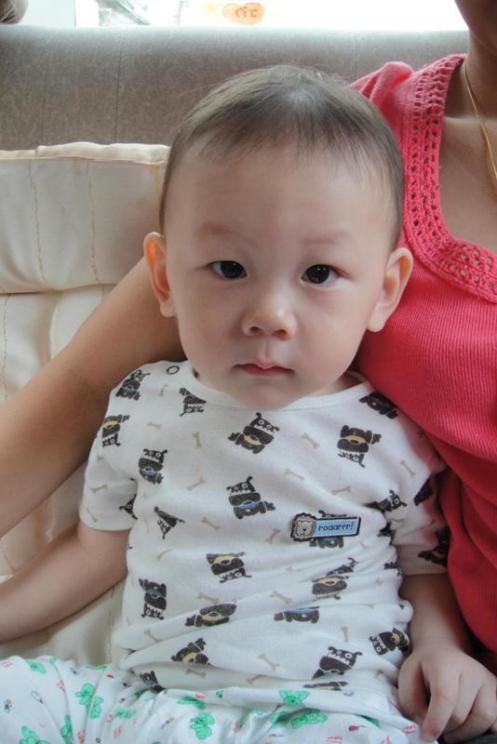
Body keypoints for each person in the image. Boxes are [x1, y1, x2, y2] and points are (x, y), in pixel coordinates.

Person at [0, 65, 495, 744]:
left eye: (318, 274)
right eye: (229, 269)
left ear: (383, 292)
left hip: (330, 716)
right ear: (164, 277)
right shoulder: (140, 408)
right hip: (144, 707)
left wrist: (442, 650)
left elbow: (421, 566)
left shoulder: (390, 433)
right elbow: (96, 551)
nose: (269, 315)